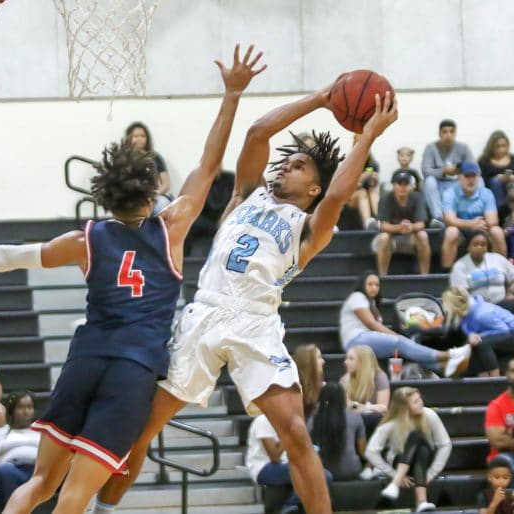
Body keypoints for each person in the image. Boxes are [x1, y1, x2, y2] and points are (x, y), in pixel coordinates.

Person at [0, 45, 265, 514]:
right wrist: (231, 95)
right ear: (151, 192)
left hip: (85, 360)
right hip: (132, 372)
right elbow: (209, 166)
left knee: (42, 481)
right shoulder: (171, 227)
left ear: (106, 197)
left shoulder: (85, 239)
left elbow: (8, 256)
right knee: (75, 496)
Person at [90, 78, 399, 514]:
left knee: (295, 432)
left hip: (256, 322)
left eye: (300, 165)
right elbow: (257, 133)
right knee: (140, 429)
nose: (287, 165)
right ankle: (102, 509)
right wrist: (322, 98)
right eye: (288, 160)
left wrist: (366, 137)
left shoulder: (310, 226)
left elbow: (337, 194)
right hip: (206, 313)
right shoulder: (245, 195)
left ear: (313, 188)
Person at [339, 271, 471, 377]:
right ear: (362, 285)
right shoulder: (357, 296)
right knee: (399, 342)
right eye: (370, 284)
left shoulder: (371, 303)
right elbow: (371, 323)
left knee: (408, 348)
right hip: (355, 341)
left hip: (366, 340)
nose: (374, 288)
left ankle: (443, 367)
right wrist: (395, 336)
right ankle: (447, 355)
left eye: (377, 285)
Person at [366, 387, 452, 513]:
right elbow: (371, 451)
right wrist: (393, 473)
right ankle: (421, 501)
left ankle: (394, 485)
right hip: (400, 462)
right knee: (420, 449)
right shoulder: (392, 422)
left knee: (418, 440)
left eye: (420, 399)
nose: (421, 402)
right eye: (416, 402)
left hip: (425, 463)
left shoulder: (429, 415)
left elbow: (446, 444)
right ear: (405, 408)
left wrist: (431, 473)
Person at [245, 413, 332, 514]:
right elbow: (274, 456)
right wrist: (288, 434)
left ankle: (294, 506)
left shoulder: (289, 421)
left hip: (287, 463)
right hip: (263, 467)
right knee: (320, 476)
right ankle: (289, 507)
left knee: (326, 476)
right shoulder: (263, 421)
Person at [0, 391, 40, 507]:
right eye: (20, 407)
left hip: (39, 472)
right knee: (4, 471)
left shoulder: (42, 431)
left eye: (30, 407)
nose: (26, 411)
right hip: (12, 471)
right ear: (11, 410)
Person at [441, 161, 507, 268]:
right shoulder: (449, 193)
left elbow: (493, 220)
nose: (471, 179)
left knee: (497, 231)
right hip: (460, 232)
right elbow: (449, 220)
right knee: (451, 232)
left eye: (474, 176)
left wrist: (479, 225)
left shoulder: (486, 193)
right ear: (459, 177)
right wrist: (471, 224)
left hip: (482, 229)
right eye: (467, 176)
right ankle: (447, 272)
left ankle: (502, 270)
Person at [441, 286, 514, 377]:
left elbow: (504, 330)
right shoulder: (465, 313)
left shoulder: (481, 314)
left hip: (510, 333)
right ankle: (482, 381)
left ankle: (495, 380)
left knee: (482, 344)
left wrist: (480, 336)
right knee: (472, 345)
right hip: (501, 336)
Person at [373, 170, 431, 275]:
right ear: (393, 185)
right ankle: (382, 276)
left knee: (423, 235)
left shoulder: (417, 197)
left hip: (411, 236)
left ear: (410, 186)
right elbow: (383, 226)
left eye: (406, 184)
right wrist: (400, 227)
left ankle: (424, 275)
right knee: (383, 237)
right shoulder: (385, 198)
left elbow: (421, 223)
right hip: (391, 237)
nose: (402, 187)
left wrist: (411, 227)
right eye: (399, 184)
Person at [421, 119, 476, 224]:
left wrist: (460, 170)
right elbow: (426, 171)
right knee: (429, 181)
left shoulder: (463, 147)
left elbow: (474, 168)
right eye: (445, 132)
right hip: (439, 184)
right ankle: (438, 218)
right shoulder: (430, 148)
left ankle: (470, 214)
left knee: (479, 180)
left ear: (455, 133)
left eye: (451, 131)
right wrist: (444, 171)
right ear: (439, 133)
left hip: (457, 183)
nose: (448, 135)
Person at [308, 383, 366, 481]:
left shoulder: (313, 420)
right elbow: (362, 451)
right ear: (343, 398)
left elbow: (308, 448)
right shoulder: (355, 417)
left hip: (322, 472)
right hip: (351, 470)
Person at [450, 230, 514, 309]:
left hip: (502, 304)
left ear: (487, 247)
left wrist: (510, 293)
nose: (479, 247)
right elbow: (460, 295)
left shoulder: (498, 259)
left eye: (483, 244)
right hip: (476, 307)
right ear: (468, 247)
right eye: (475, 244)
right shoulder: (460, 266)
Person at [339, 344, 389, 437]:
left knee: (375, 418)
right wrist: (369, 407)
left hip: (374, 420)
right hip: (355, 419)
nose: (346, 362)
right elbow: (347, 406)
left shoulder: (379, 377)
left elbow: (383, 408)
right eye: (347, 358)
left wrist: (361, 407)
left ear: (362, 362)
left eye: (351, 359)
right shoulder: (345, 380)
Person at [184, 167, 235, 257]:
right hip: (207, 221)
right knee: (188, 222)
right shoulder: (199, 182)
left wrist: (226, 216)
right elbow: (192, 204)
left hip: (227, 218)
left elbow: (237, 199)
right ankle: (184, 260)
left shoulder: (230, 179)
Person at [125, 121, 171, 214]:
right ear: (129, 138)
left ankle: (158, 228)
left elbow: (166, 184)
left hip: (154, 196)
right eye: (136, 136)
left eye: (143, 136)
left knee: (163, 204)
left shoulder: (155, 157)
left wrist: (153, 195)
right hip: (132, 197)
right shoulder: (123, 159)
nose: (139, 139)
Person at [347, 133, 381, 230]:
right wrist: (361, 178)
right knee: (362, 193)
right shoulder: (348, 163)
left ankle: (380, 220)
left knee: (372, 192)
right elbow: (347, 188)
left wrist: (374, 180)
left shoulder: (373, 164)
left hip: (368, 193)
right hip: (351, 196)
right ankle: (367, 222)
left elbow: (374, 185)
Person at [478, 130, 514, 219]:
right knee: (496, 181)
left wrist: (511, 178)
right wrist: (499, 178)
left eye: (504, 146)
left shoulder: (512, 159)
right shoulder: (484, 161)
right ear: (491, 147)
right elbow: (481, 181)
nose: (501, 149)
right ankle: (501, 212)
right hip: (493, 192)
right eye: (498, 146)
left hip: (511, 189)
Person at [485, 358, 514, 464]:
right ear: (507, 375)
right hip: (505, 458)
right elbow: (498, 442)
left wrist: (509, 434)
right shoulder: (496, 406)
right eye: (513, 371)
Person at [292, 344, 325, 419]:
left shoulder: (324, 389)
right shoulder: (294, 389)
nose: (323, 361)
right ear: (308, 361)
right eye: (319, 357)